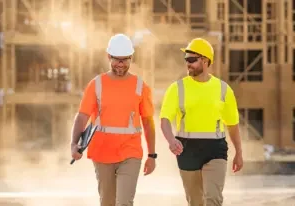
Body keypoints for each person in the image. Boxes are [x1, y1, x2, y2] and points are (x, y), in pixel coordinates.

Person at [70, 33, 157, 206]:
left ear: (131, 58)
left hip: (130, 153)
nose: (120, 64)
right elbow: (82, 116)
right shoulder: (96, 85)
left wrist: (152, 155)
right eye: (117, 59)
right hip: (102, 153)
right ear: (108, 57)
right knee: (107, 202)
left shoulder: (141, 86)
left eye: (125, 60)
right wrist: (74, 143)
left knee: (124, 202)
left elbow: (148, 122)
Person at [159, 38, 243, 206]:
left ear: (205, 61)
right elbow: (165, 120)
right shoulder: (177, 89)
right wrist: (171, 140)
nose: (187, 64)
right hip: (186, 149)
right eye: (186, 60)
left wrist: (239, 153)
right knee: (195, 202)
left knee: (213, 199)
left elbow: (232, 124)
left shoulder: (224, 89)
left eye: (192, 59)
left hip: (216, 149)